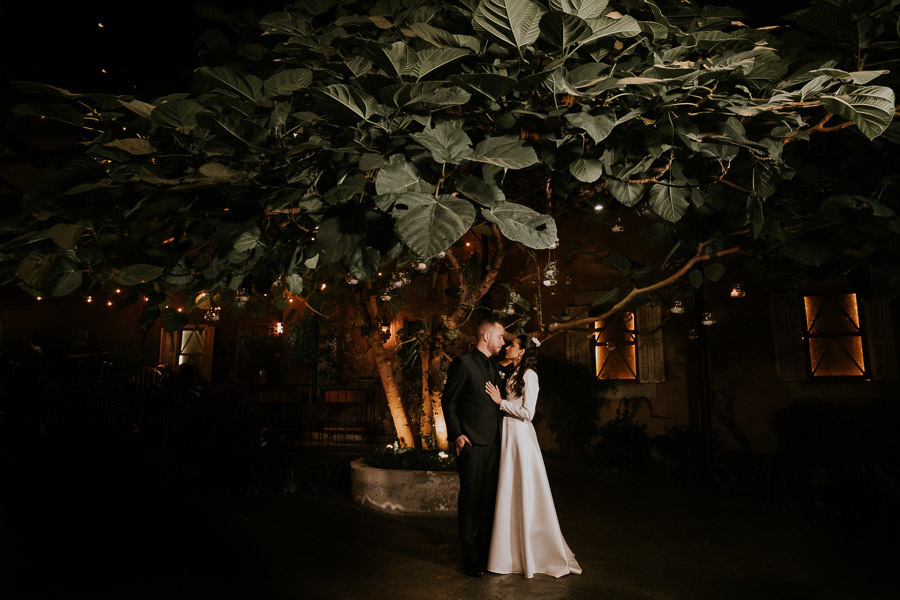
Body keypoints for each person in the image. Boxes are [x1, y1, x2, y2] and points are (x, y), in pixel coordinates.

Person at [485, 335, 582, 578]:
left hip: (520, 436)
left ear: (521, 352)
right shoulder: (514, 373)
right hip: (508, 434)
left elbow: (529, 412)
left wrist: (501, 403)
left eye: (512, 345)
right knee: (509, 490)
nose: (507, 347)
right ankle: (509, 553)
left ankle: (531, 552)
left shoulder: (530, 376)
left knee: (522, 488)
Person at [441, 317, 506, 577]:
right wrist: (457, 434)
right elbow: (449, 401)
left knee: (489, 500)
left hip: (494, 444)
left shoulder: (496, 367)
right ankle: (468, 556)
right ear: (486, 337)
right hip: (472, 444)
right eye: (500, 336)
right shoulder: (463, 364)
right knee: (471, 499)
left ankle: (484, 552)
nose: (503, 342)